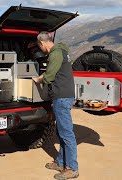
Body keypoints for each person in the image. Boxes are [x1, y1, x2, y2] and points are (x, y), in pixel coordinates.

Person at [32, 31, 79, 180]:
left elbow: (50, 76)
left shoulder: (56, 53)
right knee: (61, 132)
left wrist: (38, 80)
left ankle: (72, 168)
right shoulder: (61, 51)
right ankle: (60, 162)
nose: (41, 50)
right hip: (63, 96)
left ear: (42, 43)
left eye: (39, 47)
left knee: (66, 133)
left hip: (62, 97)